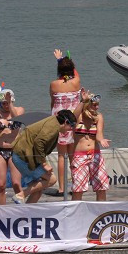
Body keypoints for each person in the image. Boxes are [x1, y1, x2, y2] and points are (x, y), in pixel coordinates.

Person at [11, 108, 82, 203]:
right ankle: (21, 195)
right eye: (71, 125)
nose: (71, 129)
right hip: (22, 157)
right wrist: (44, 164)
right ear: (65, 122)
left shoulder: (54, 122)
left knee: (37, 190)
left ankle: (27, 213)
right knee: (51, 179)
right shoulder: (53, 127)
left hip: (24, 156)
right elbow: (39, 142)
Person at [50, 48, 82, 197]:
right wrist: (62, 59)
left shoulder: (54, 84)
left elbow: (52, 102)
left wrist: (60, 61)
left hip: (60, 123)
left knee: (61, 156)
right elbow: (75, 73)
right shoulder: (76, 82)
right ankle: (76, 185)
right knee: (73, 155)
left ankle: (62, 188)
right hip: (74, 122)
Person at [71, 93, 111, 202]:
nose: (97, 107)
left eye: (98, 105)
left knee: (101, 186)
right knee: (78, 188)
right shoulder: (79, 116)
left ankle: (101, 213)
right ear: (87, 105)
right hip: (80, 156)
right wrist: (82, 101)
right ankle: (76, 214)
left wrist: (101, 140)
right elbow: (72, 117)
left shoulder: (98, 117)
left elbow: (99, 135)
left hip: (95, 154)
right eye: (94, 105)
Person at [0, 89, 25, 205]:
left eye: (7, 102)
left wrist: (10, 104)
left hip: (14, 150)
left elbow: (18, 120)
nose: (5, 105)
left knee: (16, 183)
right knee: (1, 185)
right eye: (3, 103)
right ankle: (1, 212)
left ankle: (21, 208)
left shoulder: (19, 110)